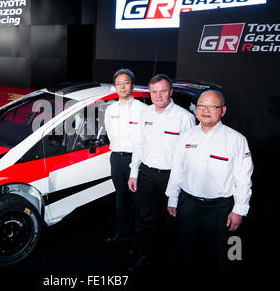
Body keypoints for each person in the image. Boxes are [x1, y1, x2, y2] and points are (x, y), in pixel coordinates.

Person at [165, 90, 253, 272]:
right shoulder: (186, 137)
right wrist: (173, 198)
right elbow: (177, 170)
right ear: (195, 109)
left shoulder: (236, 140)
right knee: (183, 252)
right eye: (201, 106)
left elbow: (243, 177)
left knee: (220, 256)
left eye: (212, 106)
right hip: (188, 205)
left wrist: (239, 210)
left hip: (220, 209)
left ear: (223, 110)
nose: (206, 110)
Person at [127, 74, 195, 270]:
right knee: (144, 217)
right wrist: (134, 172)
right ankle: (142, 253)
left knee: (170, 220)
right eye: (154, 91)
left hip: (171, 178)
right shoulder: (145, 114)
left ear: (170, 92)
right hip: (146, 174)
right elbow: (139, 145)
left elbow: (188, 156)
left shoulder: (185, 118)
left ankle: (168, 259)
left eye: (162, 91)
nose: (158, 96)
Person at [104, 68, 147, 244]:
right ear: (115, 86)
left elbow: (144, 140)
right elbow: (109, 133)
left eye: (126, 82)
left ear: (132, 85)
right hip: (116, 159)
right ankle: (122, 233)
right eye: (119, 83)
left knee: (140, 201)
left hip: (137, 160)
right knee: (120, 199)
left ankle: (139, 238)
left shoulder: (143, 110)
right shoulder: (110, 109)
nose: (122, 86)